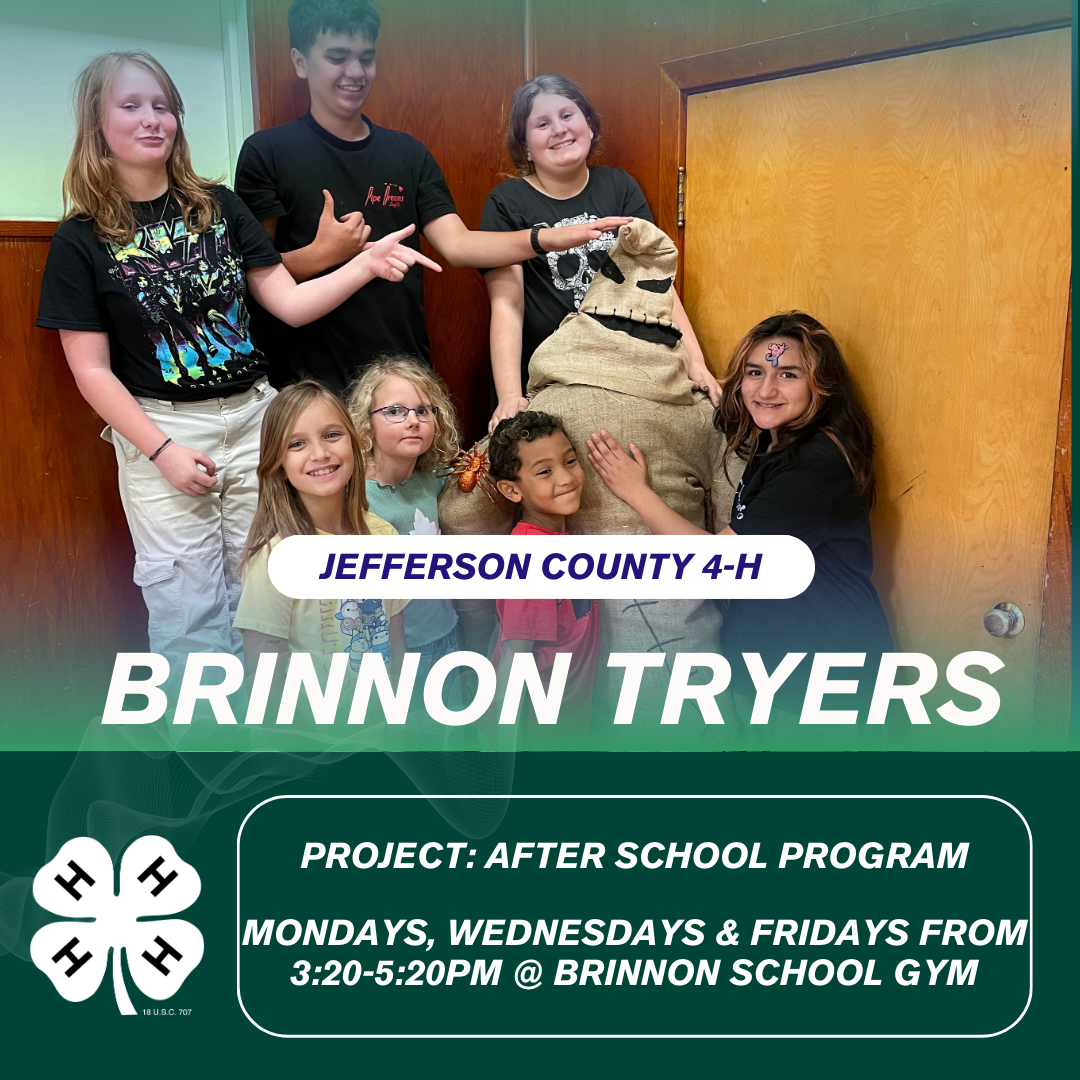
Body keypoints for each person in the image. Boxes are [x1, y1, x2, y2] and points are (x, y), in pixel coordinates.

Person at [35, 50, 437, 670]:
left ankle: (275, 745)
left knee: (270, 587)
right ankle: (203, 760)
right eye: (132, 106)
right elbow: (90, 369)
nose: (152, 120)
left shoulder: (218, 208)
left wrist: (363, 264)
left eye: (164, 106)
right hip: (161, 430)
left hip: (258, 420)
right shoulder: (80, 238)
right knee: (187, 605)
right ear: (96, 123)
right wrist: (162, 453)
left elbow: (290, 303)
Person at [234, 0, 631, 394]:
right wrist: (323, 253)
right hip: (308, 382)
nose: (355, 72)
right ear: (300, 62)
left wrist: (545, 238)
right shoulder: (266, 152)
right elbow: (252, 277)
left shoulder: (407, 153)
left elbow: (458, 246)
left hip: (402, 376)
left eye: (366, 58)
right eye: (337, 57)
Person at [586, 311, 893, 722]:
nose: (766, 389)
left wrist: (637, 493)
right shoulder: (776, 445)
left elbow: (722, 564)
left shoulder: (815, 464)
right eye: (754, 372)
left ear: (822, 385)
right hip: (777, 676)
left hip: (823, 681)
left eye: (788, 374)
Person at [480, 73, 720, 432]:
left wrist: (695, 361)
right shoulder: (506, 202)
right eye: (542, 124)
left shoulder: (620, 186)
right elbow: (506, 305)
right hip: (559, 372)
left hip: (633, 361)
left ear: (589, 125)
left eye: (567, 115)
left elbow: (656, 285)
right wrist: (510, 395)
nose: (558, 129)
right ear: (526, 147)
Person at [234, 381, 408, 697]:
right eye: (297, 444)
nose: (320, 453)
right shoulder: (276, 559)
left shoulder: (385, 537)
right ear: (278, 464)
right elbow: (264, 681)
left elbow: (396, 648)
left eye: (331, 435)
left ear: (354, 444)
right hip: (308, 743)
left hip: (379, 734)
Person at [346, 356, 462, 695]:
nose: (413, 420)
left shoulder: (434, 481)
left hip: (446, 636)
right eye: (395, 411)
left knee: (449, 740)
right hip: (389, 653)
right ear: (365, 426)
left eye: (423, 411)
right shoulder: (353, 496)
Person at [487, 412, 600, 741]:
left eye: (570, 461)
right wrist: (501, 763)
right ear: (511, 490)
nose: (566, 477)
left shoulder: (555, 539)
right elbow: (514, 660)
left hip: (567, 721)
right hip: (538, 733)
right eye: (545, 471)